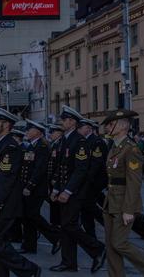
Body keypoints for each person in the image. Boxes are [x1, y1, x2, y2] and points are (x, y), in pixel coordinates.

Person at [102, 109, 144, 277]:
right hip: (111, 201)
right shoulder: (115, 147)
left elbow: (134, 182)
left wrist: (129, 209)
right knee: (111, 245)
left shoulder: (131, 149)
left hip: (123, 203)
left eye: (110, 125)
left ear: (121, 126)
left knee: (119, 243)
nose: (107, 128)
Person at [0, 107, 41, 277]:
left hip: (5, 204)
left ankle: (28, 269)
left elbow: (5, 179)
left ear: (6, 124)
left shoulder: (10, 147)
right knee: (0, 241)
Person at [50, 105, 106, 273]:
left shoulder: (79, 141)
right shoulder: (65, 140)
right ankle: (69, 262)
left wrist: (67, 191)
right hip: (65, 190)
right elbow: (62, 168)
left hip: (74, 192)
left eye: (64, 120)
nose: (62, 122)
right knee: (66, 227)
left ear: (72, 122)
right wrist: (56, 189)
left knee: (70, 226)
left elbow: (80, 170)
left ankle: (97, 249)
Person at [19, 119, 60, 255]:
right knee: (27, 217)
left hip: (36, 188)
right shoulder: (32, 146)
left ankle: (55, 237)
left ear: (37, 132)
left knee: (33, 215)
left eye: (29, 130)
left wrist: (30, 186)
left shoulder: (42, 147)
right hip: (28, 187)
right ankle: (29, 246)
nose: (27, 132)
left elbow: (39, 169)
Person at [79, 118, 109, 239]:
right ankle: (90, 234)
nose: (79, 131)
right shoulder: (84, 141)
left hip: (95, 181)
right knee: (87, 207)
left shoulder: (96, 142)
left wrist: (85, 180)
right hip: (88, 181)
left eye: (81, 128)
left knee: (88, 205)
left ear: (88, 128)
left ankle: (107, 225)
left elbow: (96, 164)